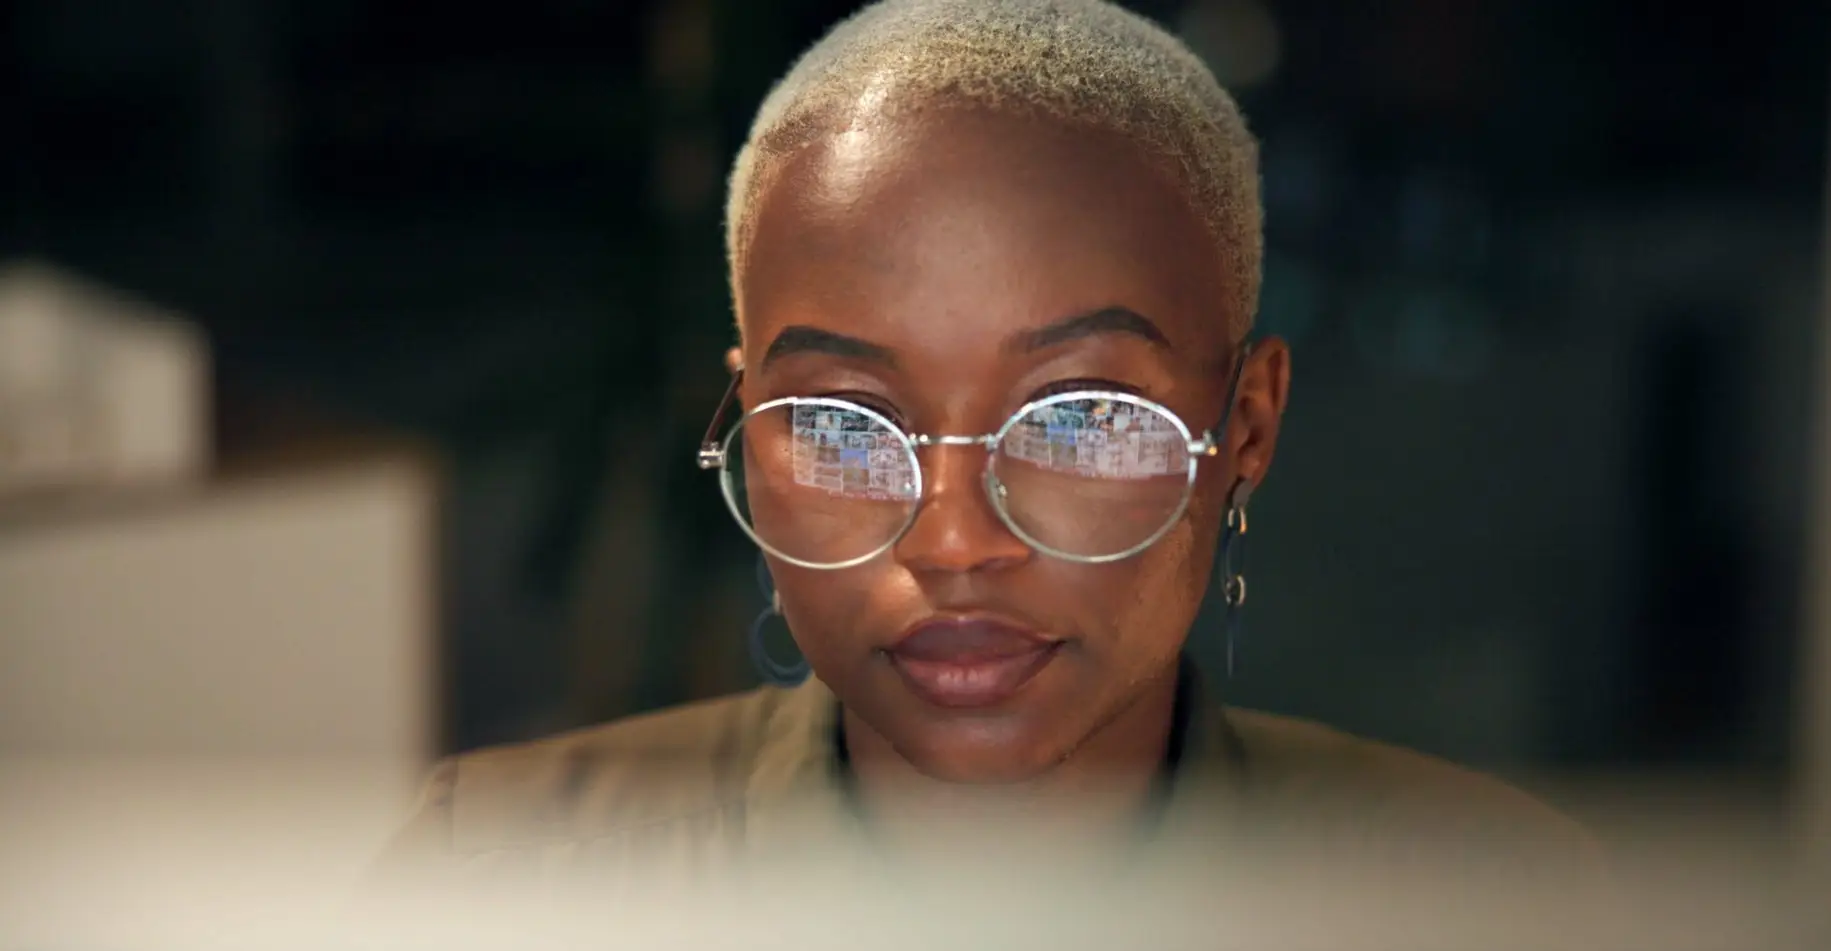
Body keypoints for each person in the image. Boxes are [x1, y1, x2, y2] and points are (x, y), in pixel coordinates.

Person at [371, 0, 1603, 901]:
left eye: (1078, 414)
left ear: (1247, 428)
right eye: (845, 422)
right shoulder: (496, 889)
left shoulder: (1498, 918)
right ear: (744, 426)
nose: (954, 539)